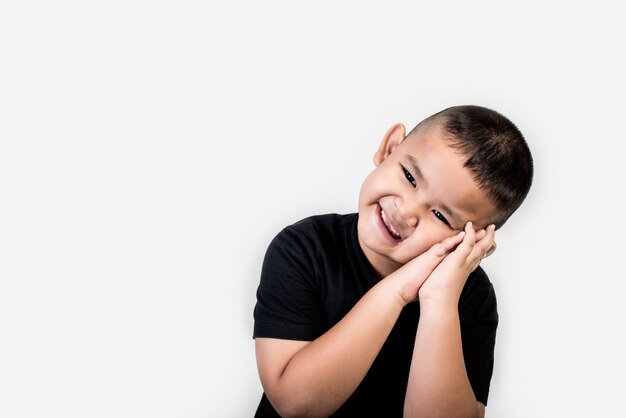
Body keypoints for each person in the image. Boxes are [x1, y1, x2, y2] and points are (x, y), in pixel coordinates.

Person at [252, 105, 533, 417]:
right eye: (410, 176)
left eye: (440, 215)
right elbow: (295, 404)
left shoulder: (469, 296)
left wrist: (439, 299)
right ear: (390, 147)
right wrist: (397, 290)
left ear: (472, 241)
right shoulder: (304, 248)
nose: (407, 211)